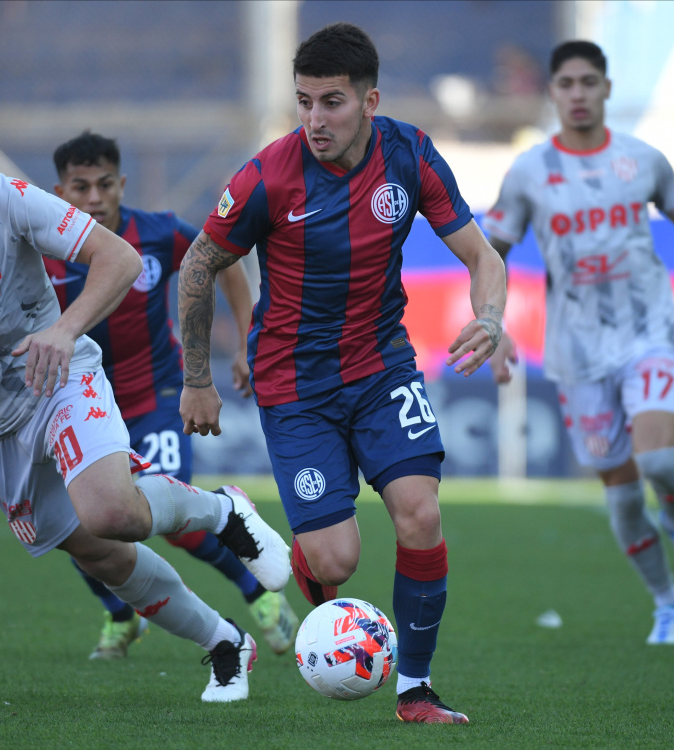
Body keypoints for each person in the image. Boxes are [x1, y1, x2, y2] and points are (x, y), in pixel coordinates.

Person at [0, 88, 291, 703]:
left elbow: (119, 258)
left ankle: (224, 511)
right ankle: (225, 642)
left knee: (113, 513)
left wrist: (63, 330)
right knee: (102, 557)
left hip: (58, 377)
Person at [178, 23, 507, 725]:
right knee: (335, 561)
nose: (315, 119)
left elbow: (483, 256)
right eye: (304, 102)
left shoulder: (409, 155)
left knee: (420, 512)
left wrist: (490, 317)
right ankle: (302, 561)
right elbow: (199, 262)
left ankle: (414, 691)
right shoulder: (269, 174)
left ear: (369, 101)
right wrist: (197, 378)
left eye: (332, 102)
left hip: (382, 364)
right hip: (295, 385)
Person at [483, 41, 674, 645]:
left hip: (647, 332)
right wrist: (492, 323)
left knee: (659, 461)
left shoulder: (643, 159)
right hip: (577, 353)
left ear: (607, 88)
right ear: (552, 92)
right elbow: (490, 252)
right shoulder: (529, 171)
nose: (578, 94)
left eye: (589, 82)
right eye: (567, 84)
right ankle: (668, 602)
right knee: (624, 494)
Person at [45, 131, 298, 658]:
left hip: (154, 396)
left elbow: (222, 260)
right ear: (60, 192)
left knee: (171, 516)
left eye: (105, 184)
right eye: (81, 187)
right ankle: (121, 617)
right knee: (77, 525)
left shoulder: (157, 233)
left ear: (122, 184)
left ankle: (259, 593)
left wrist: (246, 342)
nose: (95, 197)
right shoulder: (42, 250)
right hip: (81, 407)